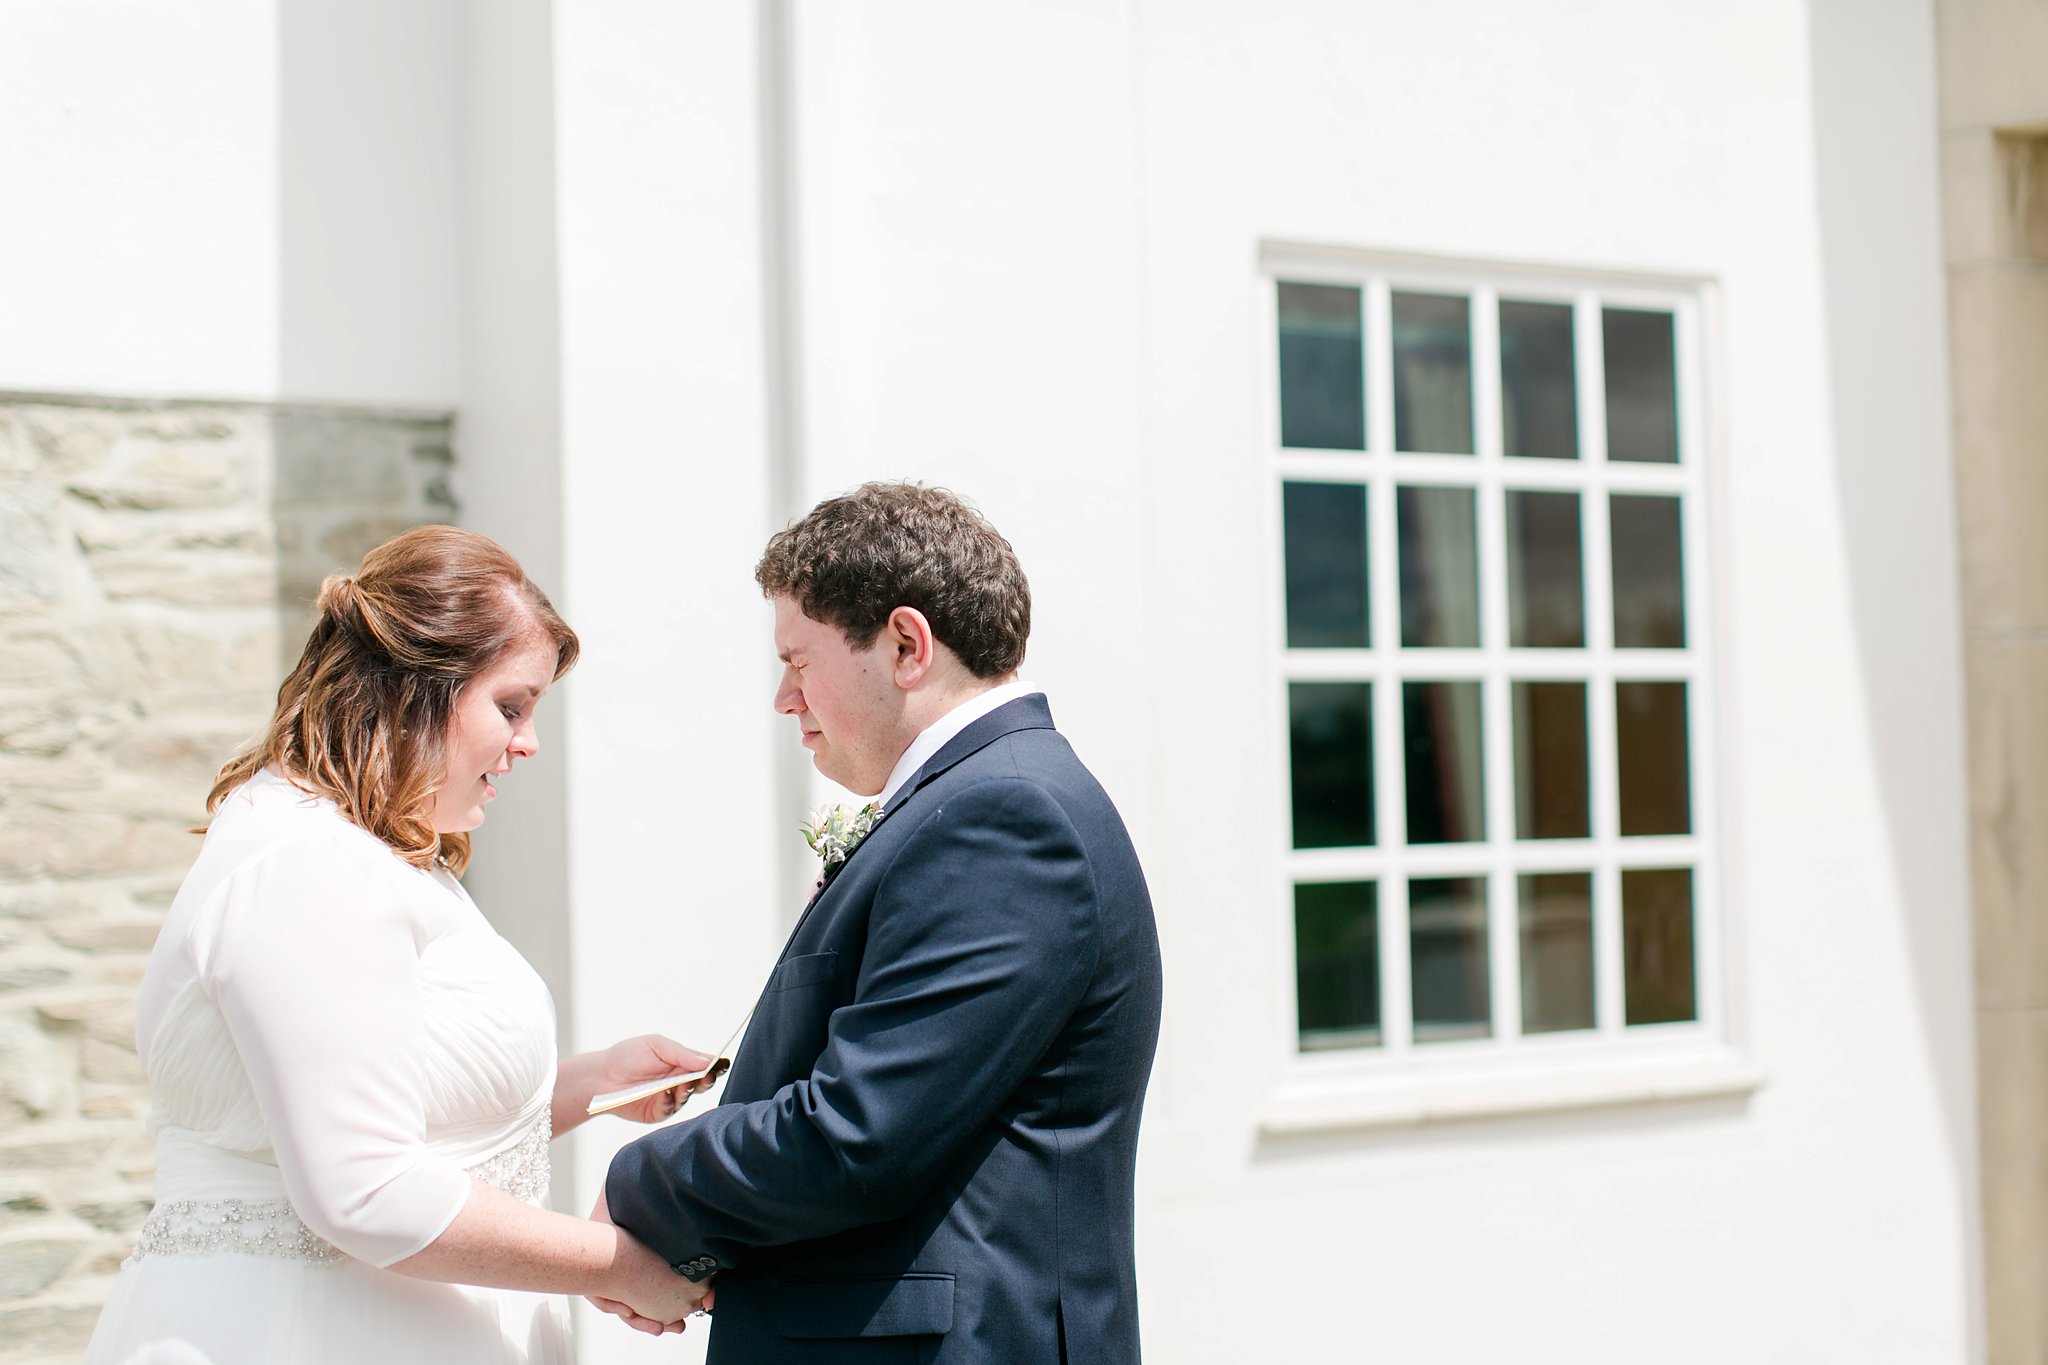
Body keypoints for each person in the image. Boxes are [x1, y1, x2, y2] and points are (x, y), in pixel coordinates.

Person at [85, 525, 714, 1365]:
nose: (527, 742)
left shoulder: (366, 854)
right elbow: (364, 1187)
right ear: (413, 688)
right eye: (511, 706)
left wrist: (589, 1084)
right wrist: (623, 1265)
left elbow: (382, 1106)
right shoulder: (307, 864)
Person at [602, 483, 1164, 1362]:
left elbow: (858, 1135)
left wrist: (644, 1183)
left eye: (799, 659)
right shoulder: (985, 800)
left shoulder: (1006, 818)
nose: (785, 698)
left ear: (906, 643)